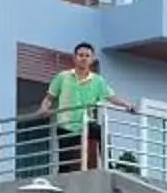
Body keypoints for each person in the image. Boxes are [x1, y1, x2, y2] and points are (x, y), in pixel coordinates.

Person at [38, 42, 117, 174]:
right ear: (74, 58)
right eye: (80, 55)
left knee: (100, 132)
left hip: (86, 123)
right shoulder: (63, 77)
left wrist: (129, 106)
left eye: (87, 55)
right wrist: (43, 108)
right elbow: (50, 98)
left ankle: (109, 165)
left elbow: (112, 97)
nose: (84, 58)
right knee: (65, 163)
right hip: (66, 125)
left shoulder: (97, 80)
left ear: (92, 59)